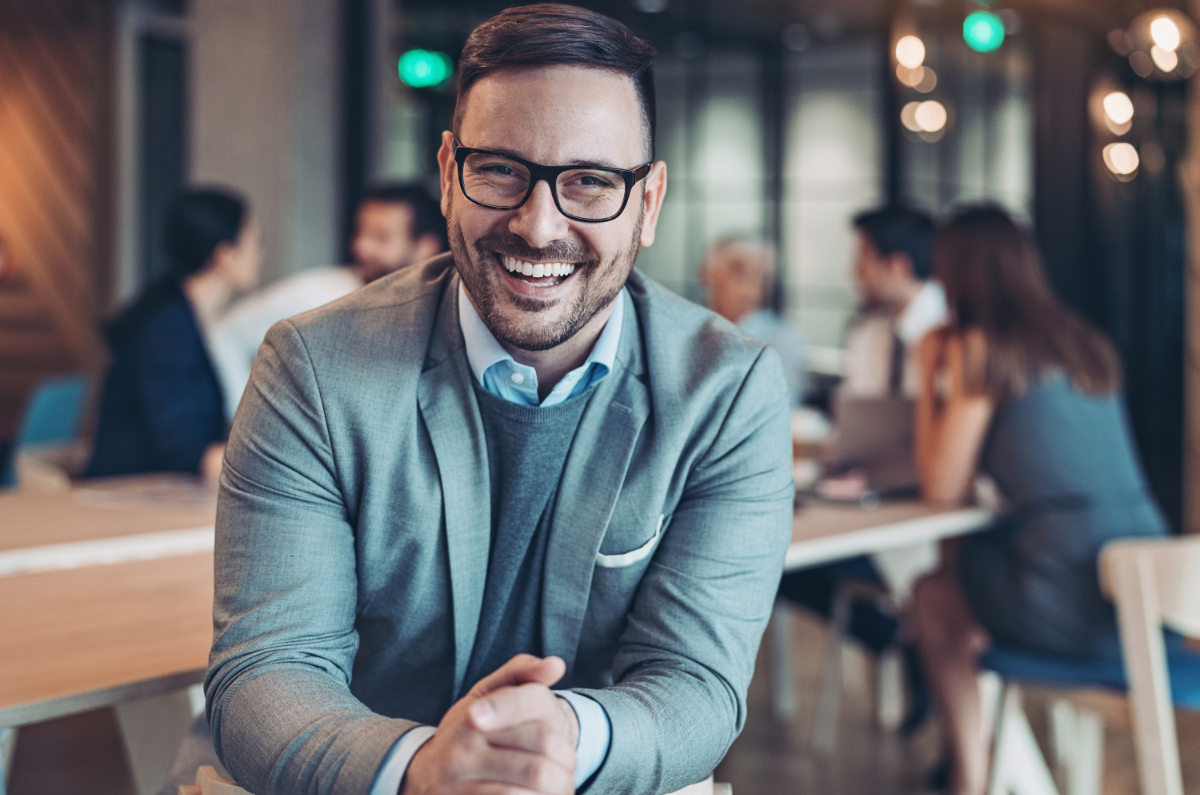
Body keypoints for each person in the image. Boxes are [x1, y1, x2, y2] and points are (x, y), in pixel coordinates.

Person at [198, 6, 794, 795]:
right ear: (448, 174)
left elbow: (696, 684)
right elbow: (266, 671)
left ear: (648, 203)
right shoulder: (314, 366)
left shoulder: (727, 389)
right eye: (501, 170)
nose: (538, 225)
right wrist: (423, 766)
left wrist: (564, 739)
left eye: (590, 181)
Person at [909, 206, 1168, 795]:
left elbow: (940, 487)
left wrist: (928, 371)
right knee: (967, 568)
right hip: (1148, 592)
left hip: (1066, 587)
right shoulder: (1084, 342)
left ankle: (970, 778)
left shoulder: (978, 347)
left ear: (956, 272)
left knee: (932, 594)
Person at [208, 183, 446, 421]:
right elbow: (227, 333)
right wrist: (248, 421)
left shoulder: (445, 316)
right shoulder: (318, 292)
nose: (362, 246)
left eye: (380, 237)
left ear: (426, 248)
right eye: (360, 232)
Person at [84, 188, 261, 483]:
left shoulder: (182, 317)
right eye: (254, 242)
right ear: (225, 255)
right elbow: (186, 452)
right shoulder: (166, 329)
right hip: (126, 505)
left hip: (158, 497)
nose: (259, 254)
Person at [842, 205, 944, 397]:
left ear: (898, 267)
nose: (855, 272)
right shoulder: (867, 334)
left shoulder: (954, 334)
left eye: (863, 258)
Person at [699, 235, 807, 405]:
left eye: (760, 276)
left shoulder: (783, 337)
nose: (750, 287)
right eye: (739, 272)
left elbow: (787, 404)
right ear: (707, 274)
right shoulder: (684, 330)